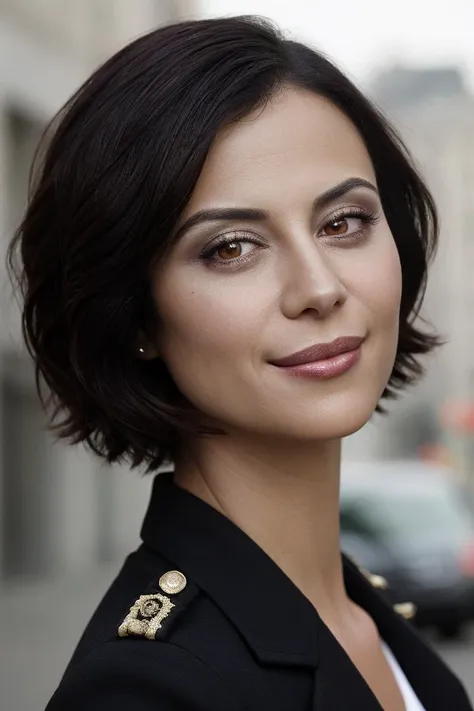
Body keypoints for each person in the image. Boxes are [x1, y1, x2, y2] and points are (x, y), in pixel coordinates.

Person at [7, 15, 472, 711]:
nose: (318, 288)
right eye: (231, 247)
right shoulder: (144, 690)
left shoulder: (363, 613)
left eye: (343, 221)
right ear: (136, 313)